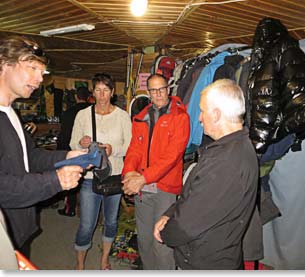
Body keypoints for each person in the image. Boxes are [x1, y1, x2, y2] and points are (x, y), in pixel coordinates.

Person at [153, 79, 259, 270]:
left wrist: (167, 232)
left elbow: (187, 224)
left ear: (216, 114)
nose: (200, 118)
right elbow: (196, 196)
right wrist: (170, 214)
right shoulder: (234, 147)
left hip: (206, 261)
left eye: (202, 111)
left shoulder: (226, 162)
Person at [0, 36, 84, 259]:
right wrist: (55, 180)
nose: (40, 79)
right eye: (33, 68)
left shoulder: (11, 112)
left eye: (42, 72)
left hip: (19, 225)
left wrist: (68, 156)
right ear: (5, 64)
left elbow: (31, 157)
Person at [122, 73, 190, 270]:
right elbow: (134, 149)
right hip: (142, 187)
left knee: (160, 241)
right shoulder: (141, 117)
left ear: (168, 89)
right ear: (148, 92)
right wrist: (128, 174)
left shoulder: (180, 117)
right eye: (153, 90)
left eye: (162, 88)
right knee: (144, 240)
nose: (159, 93)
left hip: (164, 187)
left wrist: (142, 178)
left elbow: (172, 157)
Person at [70, 73, 132, 270]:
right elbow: (72, 143)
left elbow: (130, 146)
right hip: (90, 176)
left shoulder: (122, 116)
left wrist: (115, 149)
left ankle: (104, 258)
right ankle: (80, 264)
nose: (102, 95)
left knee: (111, 221)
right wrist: (81, 143)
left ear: (112, 92)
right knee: (87, 224)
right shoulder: (83, 115)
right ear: (93, 92)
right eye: (98, 90)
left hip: (114, 176)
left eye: (106, 90)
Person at [57, 86, 91, 217]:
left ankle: (70, 208)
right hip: (88, 149)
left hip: (71, 150)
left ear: (76, 96)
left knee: (72, 180)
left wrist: (61, 151)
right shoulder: (92, 110)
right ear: (88, 97)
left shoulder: (69, 112)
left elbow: (64, 133)